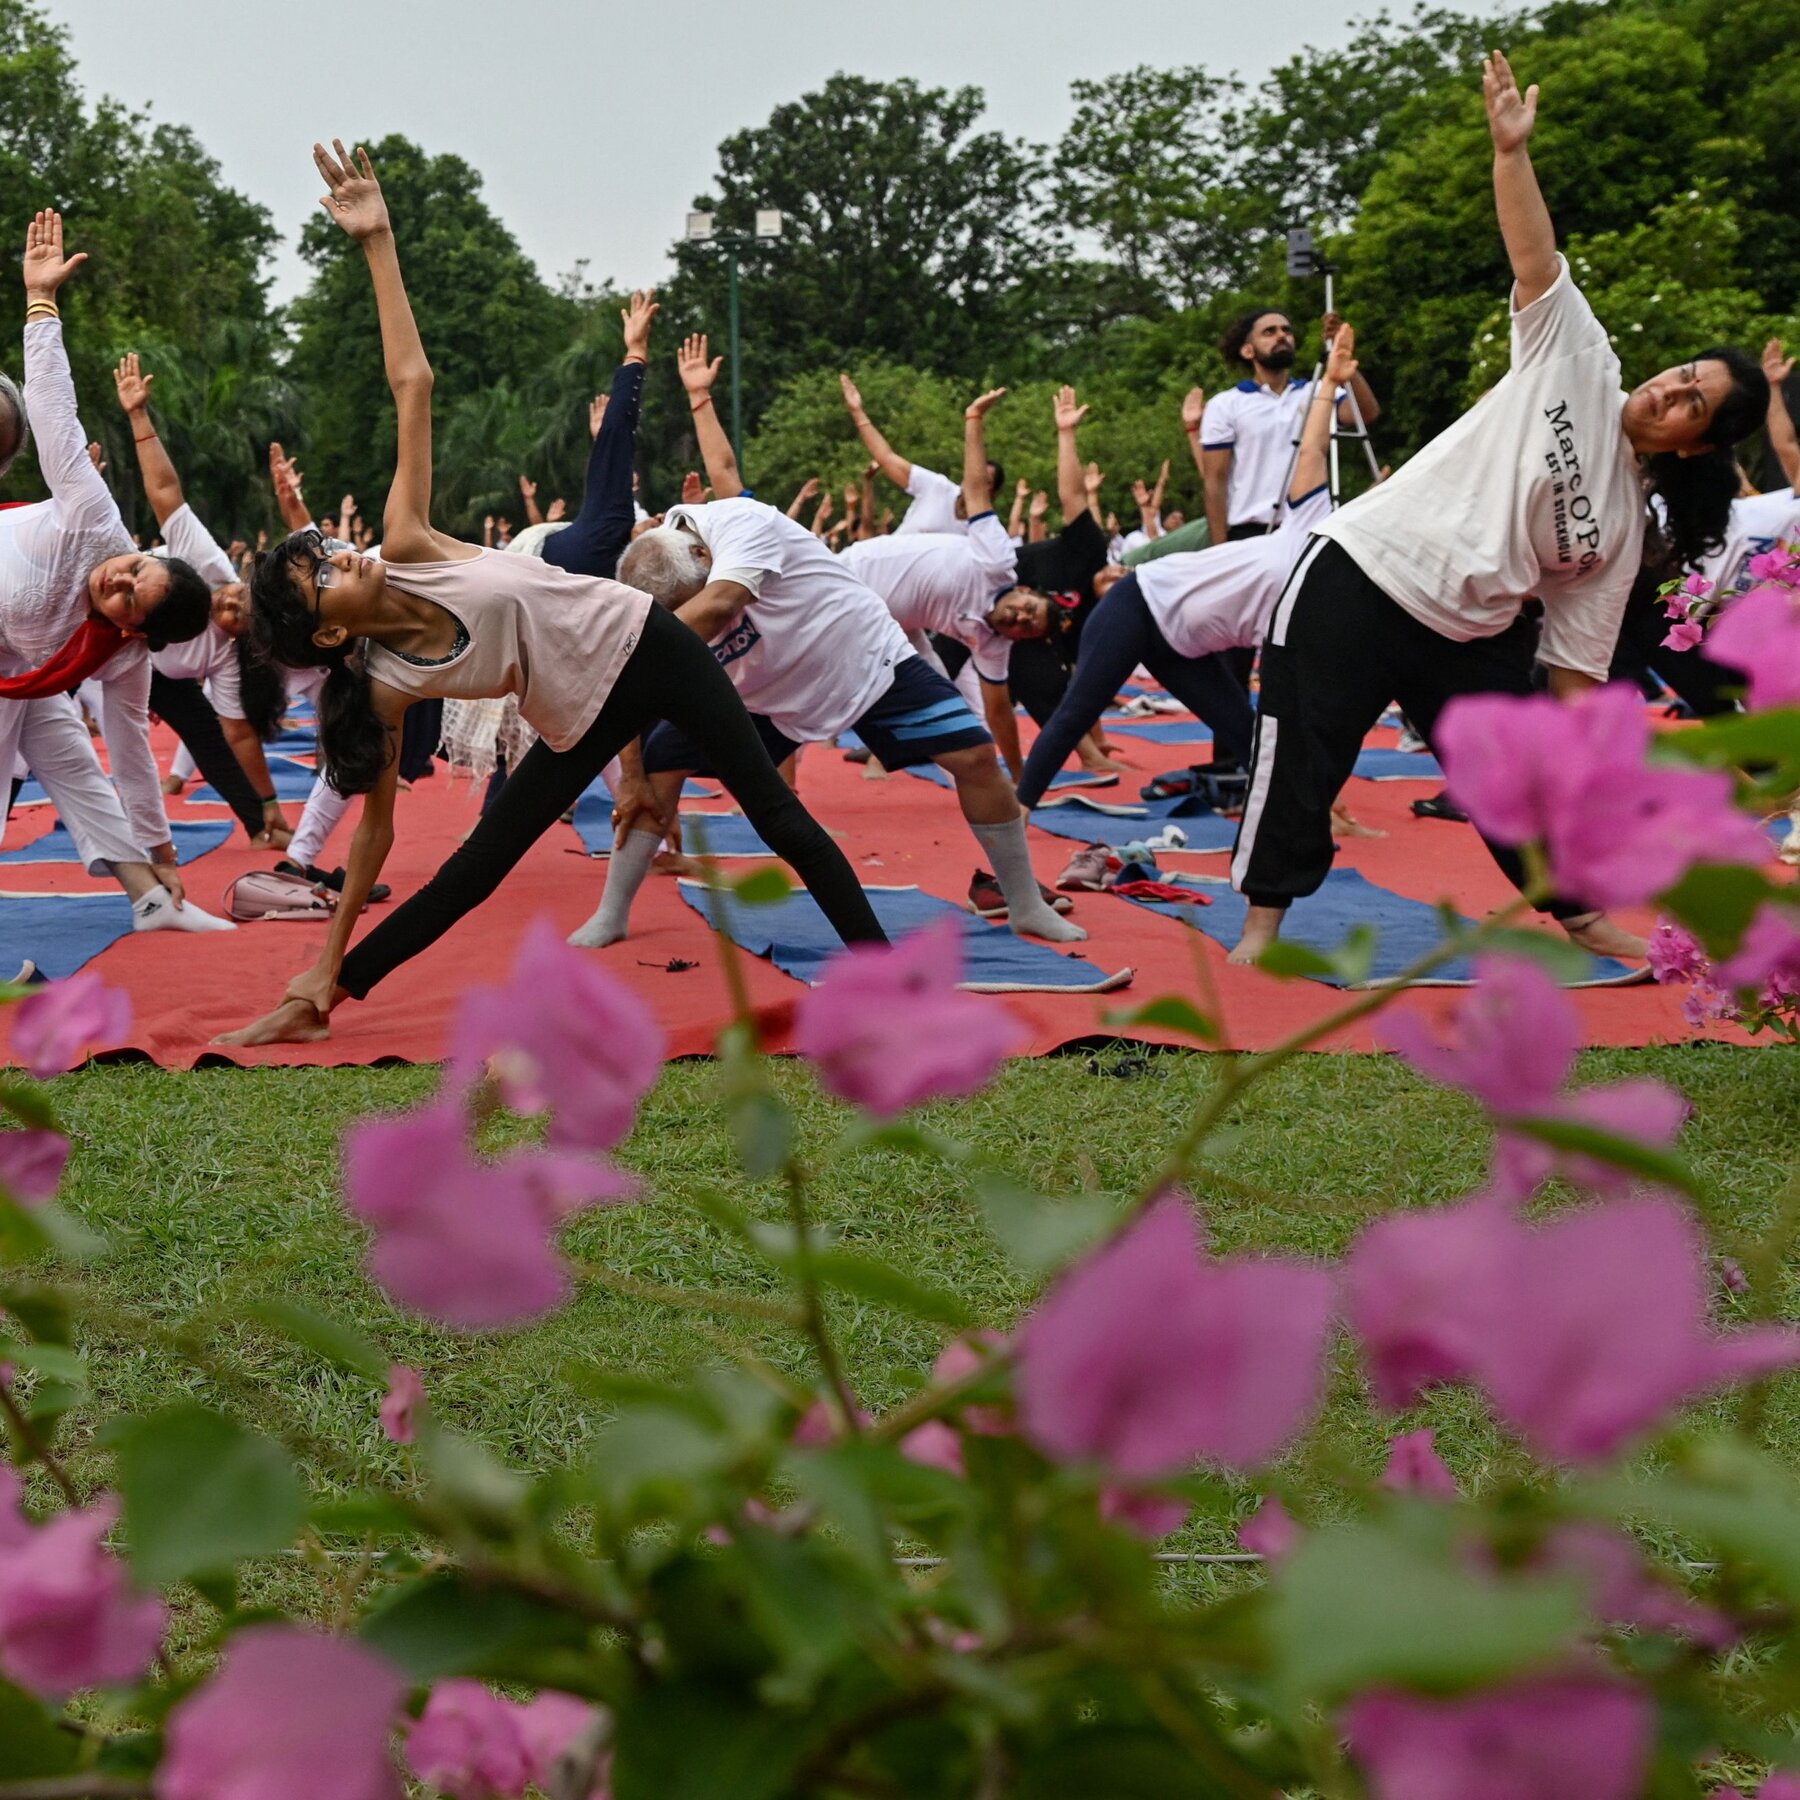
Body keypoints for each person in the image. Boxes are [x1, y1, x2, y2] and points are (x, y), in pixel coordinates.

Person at [218, 143, 883, 1047]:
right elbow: (373, 839)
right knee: (475, 867)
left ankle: (892, 995)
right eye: (324, 571)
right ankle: (326, 999)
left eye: (328, 547)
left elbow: (412, 383)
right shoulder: (378, 686)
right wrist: (327, 961)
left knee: (778, 814)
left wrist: (378, 241)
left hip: (650, 643)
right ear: (331, 635)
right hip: (578, 712)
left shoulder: (408, 540)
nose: (344, 553)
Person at [1228, 53, 1769, 965]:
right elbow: (1534, 252)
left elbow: (1570, 665)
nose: (1668, 395)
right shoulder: (1579, 359)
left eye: (1693, 405)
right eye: (1680, 375)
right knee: (1304, 751)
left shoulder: (1624, 535)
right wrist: (1510, 154)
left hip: (1467, 631)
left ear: (1699, 446)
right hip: (1361, 572)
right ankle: (1259, 934)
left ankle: (1584, 915)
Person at [577, 335, 1085, 949]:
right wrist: (629, 770)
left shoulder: (741, 527)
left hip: (860, 659)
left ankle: (1025, 902)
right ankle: (612, 912)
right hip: (764, 693)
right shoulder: (651, 586)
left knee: (976, 758)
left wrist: (644, 644)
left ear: (707, 561)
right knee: (658, 766)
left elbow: (719, 604)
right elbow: (629, 688)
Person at [1015, 326, 1362, 811]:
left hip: (1185, 644)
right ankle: (1016, 820)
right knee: (1076, 713)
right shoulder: (1307, 522)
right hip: (1140, 604)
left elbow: (1308, 692)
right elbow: (1312, 449)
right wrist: (1329, 384)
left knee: (1251, 734)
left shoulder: (1325, 606)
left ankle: (1309, 824)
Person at [1, 209, 231, 936]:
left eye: (131, 599)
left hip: (12, 659)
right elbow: (52, 412)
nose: (118, 581)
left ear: (136, 633)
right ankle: (152, 895)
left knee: (71, 750)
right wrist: (42, 303)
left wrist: (165, 848)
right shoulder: (99, 519)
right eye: (136, 567)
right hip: (12, 657)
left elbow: (132, 748)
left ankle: (153, 894)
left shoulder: (125, 656)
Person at [112, 353, 292, 847]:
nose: (228, 609)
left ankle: (261, 826)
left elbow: (238, 735)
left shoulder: (227, 659)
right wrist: (138, 416)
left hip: (154, 674)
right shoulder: (207, 562)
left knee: (207, 737)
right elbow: (166, 492)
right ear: (240, 580)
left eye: (237, 621)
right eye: (236, 599)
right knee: (35, 719)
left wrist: (271, 801)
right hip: (112, 634)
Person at [839, 388, 1052, 781]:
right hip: (856, 580)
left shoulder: (994, 638)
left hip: (900, 618)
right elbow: (889, 461)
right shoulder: (991, 551)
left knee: (941, 694)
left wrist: (1022, 778)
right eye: (1029, 612)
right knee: (822, 680)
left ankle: (975, 776)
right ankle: (870, 753)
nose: (1021, 618)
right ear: (1025, 591)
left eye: (1026, 627)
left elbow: (1000, 709)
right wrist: (859, 413)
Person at [1201, 310, 1382, 545]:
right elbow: (1215, 481)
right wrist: (1219, 548)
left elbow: (1366, 413)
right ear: (1248, 350)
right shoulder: (1225, 404)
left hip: (1310, 526)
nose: (1281, 336)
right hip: (1250, 532)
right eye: (1270, 332)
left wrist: (1343, 357)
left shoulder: (1316, 392)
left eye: (1286, 330)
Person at [840, 373, 1003, 535]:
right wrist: (857, 412)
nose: (976, 480)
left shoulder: (985, 532)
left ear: (994, 492)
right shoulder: (938, 488)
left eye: (985, 481)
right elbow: (887, 457)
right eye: (974, 473)